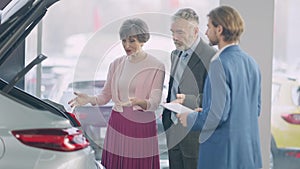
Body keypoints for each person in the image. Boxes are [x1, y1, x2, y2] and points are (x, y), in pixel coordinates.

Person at [68, 18, 165, 169]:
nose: (127, 45)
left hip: (141, 126)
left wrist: (138, 102)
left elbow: (155, 101)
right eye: (123, 40)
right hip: (118, 123)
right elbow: (105, 96)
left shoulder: (156, 66)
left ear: (142, 40)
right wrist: (88, 99)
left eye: (132, 41)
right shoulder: (116, 64)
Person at [177, 5, 263, 169]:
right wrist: (206, 109)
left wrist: (189, 118)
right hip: (247, 154)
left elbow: (217, 116)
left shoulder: (219, 63)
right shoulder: (252, 63)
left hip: (223, 154)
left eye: (209, 26)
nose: (206, 31)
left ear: (219, 29)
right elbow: (254, 109)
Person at [162, 8, 217, 169]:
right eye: (172, 32)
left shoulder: (211, 57)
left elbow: (213, 99)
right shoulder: (175, 54)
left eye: (179, 32)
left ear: (195, 31)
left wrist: (188, 100)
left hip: (195, 136)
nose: (174, 37)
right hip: (173, 129)